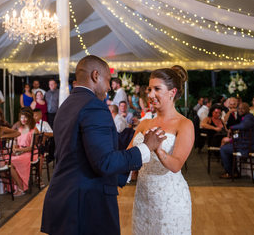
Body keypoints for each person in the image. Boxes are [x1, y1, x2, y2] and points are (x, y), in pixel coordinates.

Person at [41, 55, 163, 235]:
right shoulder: (94, 106)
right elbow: (105, 162)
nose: (108, 87)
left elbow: (85, 149)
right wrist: (145, 147)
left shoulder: (67, 105)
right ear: (96, 76)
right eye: (107, 80)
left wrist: (131, 136)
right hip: (86, 208)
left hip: (64, 202)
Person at [126, 65, 194, 234]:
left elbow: (176, 165)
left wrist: (156, 149)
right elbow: (128, 157)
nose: (150, 95)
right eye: (149, 89)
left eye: (157, 89)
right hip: (143, 198)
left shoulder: (184, 124)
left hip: (171, 200)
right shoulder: (144, 123)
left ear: (172, 92)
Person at [220, 103, 254, 179]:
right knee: (227, 146)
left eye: (243, 109)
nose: (240, 110)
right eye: (239, 108)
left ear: (248, 110)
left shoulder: (249, 117)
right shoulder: (245, 118)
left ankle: (230, 172)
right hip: (248, 143)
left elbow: (244, 126)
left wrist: (231, 128)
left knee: (224, 149)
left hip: (252, 146)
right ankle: (233, 171)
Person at [11, 110, 38, 196]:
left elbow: (31, 147)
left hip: (29, 153)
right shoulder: (20, 129)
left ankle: (21, 187)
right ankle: (14, 186)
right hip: (20, 151)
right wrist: (15, 148)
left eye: (25, 117)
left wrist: (20, 151)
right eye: (22, 117)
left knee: (10, 163)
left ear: (30, 118)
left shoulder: (34, 130)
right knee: (5, 160)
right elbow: (16, 142)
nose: (23, 119)